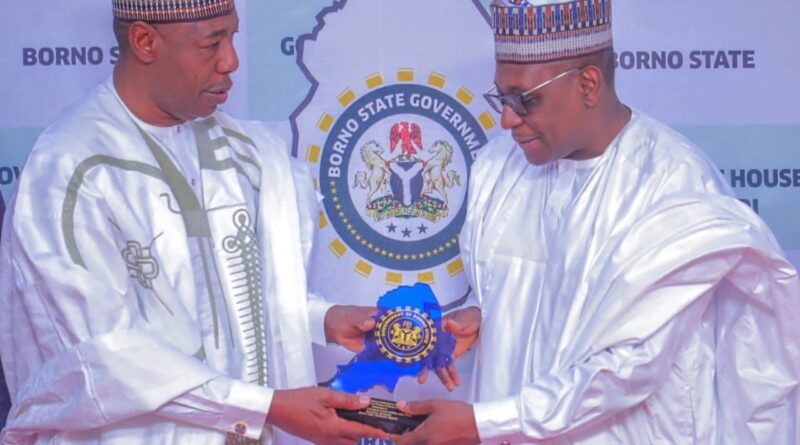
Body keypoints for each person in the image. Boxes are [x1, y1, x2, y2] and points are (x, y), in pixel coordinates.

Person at [394, 0, 800, 444]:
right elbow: (538, 299)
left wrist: (483, 422)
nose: (507, 118)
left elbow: (628, 366)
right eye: (501, 97)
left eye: (524, 99)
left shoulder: (671, 184)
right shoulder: (497, 168)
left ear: (589, 84)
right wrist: (484, 316)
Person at [0, 1, 390, 444]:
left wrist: (326, 319)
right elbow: (105, 358)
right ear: (145, 41)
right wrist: (266, 408)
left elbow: (244, 307)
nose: (232, 61)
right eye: (212, 43)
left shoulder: (246, 153)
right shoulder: (72, 171)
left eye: (233, 36)